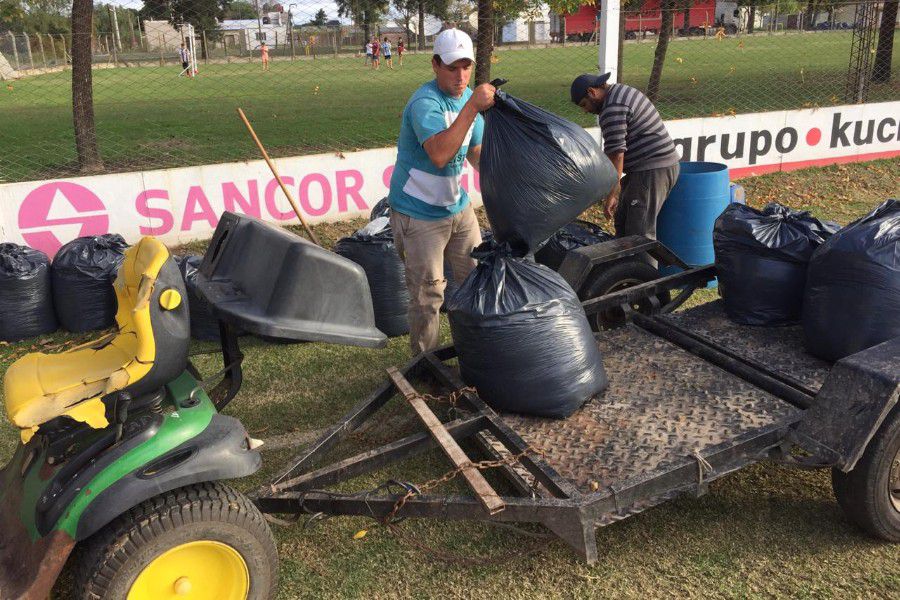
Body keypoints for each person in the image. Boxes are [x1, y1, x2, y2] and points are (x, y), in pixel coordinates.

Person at [387, 28, 495, 354]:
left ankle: (478, 351)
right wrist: (472, 108)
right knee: (428, 296)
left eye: (466, 66)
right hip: (418, 213)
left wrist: (504, 178)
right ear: (435, 64)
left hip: (457, 207)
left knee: (475, 281)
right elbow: (439, 154)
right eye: (452, 67)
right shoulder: (425, 103)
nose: (461, 76)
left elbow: (475, 152)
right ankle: (425, 364)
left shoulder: (467, 100)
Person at [570, 73, 680, 240]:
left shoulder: (612, 109)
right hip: (645, 169)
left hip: (652, 170)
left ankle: (641, 267)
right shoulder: (619, 91)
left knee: (639, 235)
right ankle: (624, 265)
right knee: (622, 222)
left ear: (592, 92)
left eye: (584, 105)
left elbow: (616, 157)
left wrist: (611, 194)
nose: (586, 110)